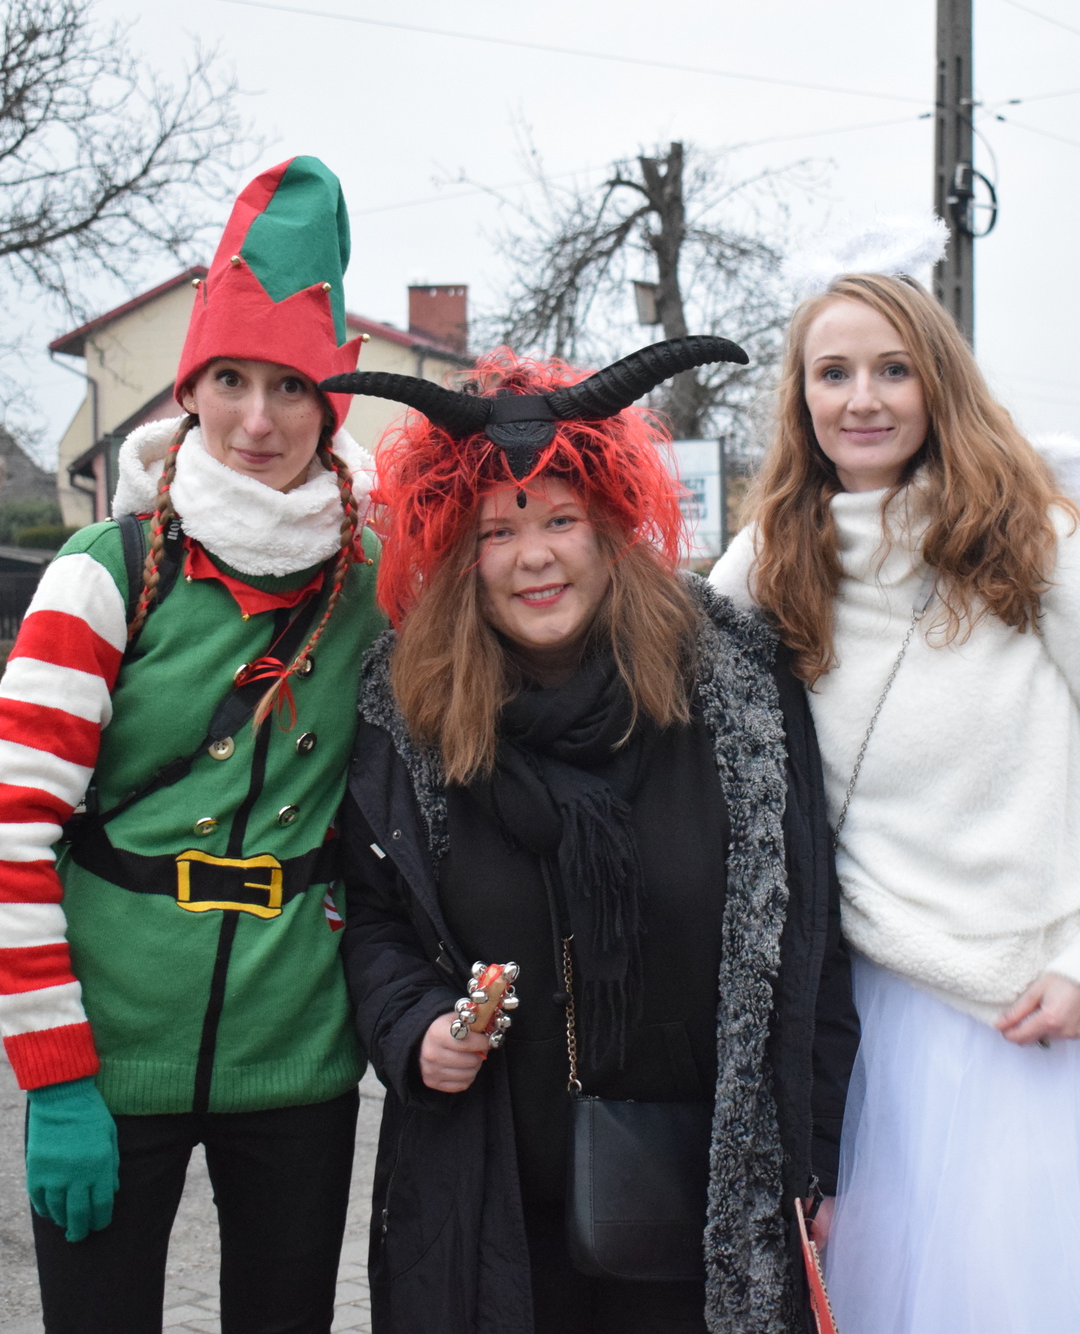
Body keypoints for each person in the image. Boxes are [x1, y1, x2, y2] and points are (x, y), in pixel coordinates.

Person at [709, 266, 1080, 1331]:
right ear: (799, 397)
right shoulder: (763, 563)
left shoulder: (1042, 544)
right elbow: (678, 735)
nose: (863, 399)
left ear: (939, 382)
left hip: (1032, 1027)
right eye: (832, 372)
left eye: (892, 369)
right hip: (855, 1034)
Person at [323, 341, 859, 1334]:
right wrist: (414, 1031)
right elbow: (373, 919)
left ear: (610, 529)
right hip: (494, 1205)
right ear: (456, 553)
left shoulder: (730, 694)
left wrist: (813, 1161)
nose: (535, 555)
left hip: (696, 1206)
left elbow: (810, 954)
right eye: (499, 529)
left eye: (560, 518)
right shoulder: (411, 716)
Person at [0, 157, 386, 1333]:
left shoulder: (377, 582)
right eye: (229, 380)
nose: (257, 418)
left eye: (292, 385)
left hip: (298, 1057)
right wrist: (56, 1075)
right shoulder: (108, 567)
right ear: (190, 391)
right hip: (107, 1057)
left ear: (329, 403)